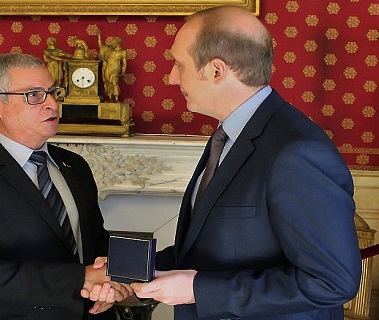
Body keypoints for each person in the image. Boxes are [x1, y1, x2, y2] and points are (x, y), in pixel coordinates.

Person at [130, 6, 362, 319]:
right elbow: (212, 250)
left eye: (178, 63)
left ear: (216, 71)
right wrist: (133, 273)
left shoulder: (296, 152)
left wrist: (197, 290)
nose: (172, 77)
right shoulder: (230, 135)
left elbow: (332, 282)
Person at [0, 53, 130, 320]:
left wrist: (109, 284)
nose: (52, 104)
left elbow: (94, 241)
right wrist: (80, 278)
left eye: (53, 92)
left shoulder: (75, 166)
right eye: (34, 95)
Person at [97, 32, 127, 102]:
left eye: (113, 41)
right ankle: (110, 98)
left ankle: (116, 98)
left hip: (116, 68)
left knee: (114, 82)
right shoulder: (109, 48)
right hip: (108, 67)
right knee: (108, 83)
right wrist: (99, 37)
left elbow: (124, 63)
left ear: (118, 42)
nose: (112, 42)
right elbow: (101, 46)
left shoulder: (123, 51)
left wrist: (123, 71)